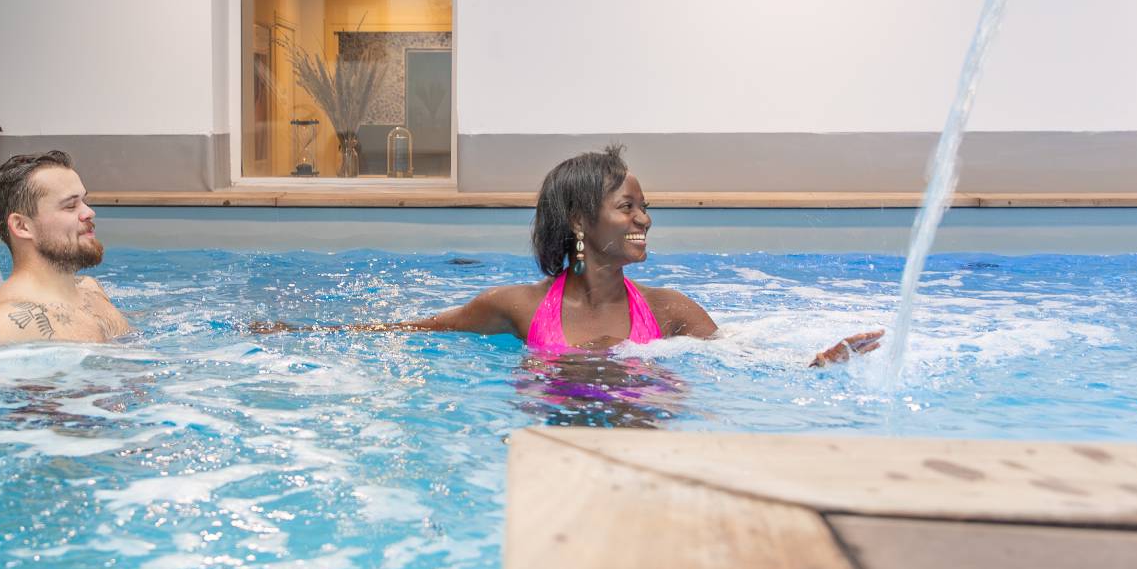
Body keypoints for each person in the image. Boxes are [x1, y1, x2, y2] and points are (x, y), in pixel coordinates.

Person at [315, 146, 880, 367]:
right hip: (558, 448)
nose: (644, 220)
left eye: (644, 206)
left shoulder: (671, 311)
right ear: (581, 222)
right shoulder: (515, 306)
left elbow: (742, 362)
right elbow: (416, 329)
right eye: (627, 207)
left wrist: (816, 364)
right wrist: (297, 333)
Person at [0, 151, 131, 349]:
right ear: (22, 226)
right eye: (71, 206)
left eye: (84, 201)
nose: (89, 212)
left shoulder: (90, 289)